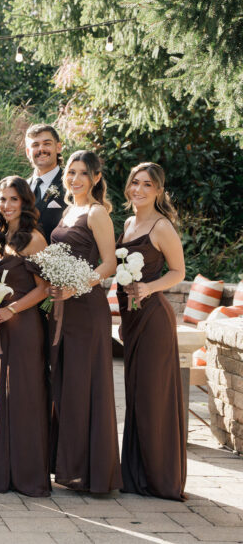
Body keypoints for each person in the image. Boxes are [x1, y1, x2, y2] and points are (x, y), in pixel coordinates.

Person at [48, 150, 121, 494]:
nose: (74, 179)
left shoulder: (97, 213)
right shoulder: (68, 210)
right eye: (70, 173)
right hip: (63, 308)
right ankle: (71, 467)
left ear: (95, 178)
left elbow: (109, 265)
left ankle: (94, 473)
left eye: (82, 173)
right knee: (66, 388)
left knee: (86, 386)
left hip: (87, 310)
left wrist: (74, 285)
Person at [117, 163, 187, 501]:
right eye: (135, 183)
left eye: (148, 184)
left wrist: (147, 289)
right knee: (135, 396)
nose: (139, 189)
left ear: (158, 191)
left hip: (153, 320)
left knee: (152, 398)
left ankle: (160, 478)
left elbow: (178, 271)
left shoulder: (161, 226)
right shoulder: (128, 223)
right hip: (131, 321)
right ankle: (136, 472)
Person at [0, 176, 51, 497]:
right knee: (1, 398)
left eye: (14, 199)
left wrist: (12, 311)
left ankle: (28, 476)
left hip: (23, 327)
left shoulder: (34, 239)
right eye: (3, 199)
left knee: (24, 397)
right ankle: (3, 473)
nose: (7, 205)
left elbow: (44, 289)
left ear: (25, 203)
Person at [24, 124, 66, 242]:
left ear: (58, 147)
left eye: (47, 143)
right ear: (28, 152)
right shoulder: (21, 188)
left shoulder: (70, 185)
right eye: (35, 145)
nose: (41, 149)